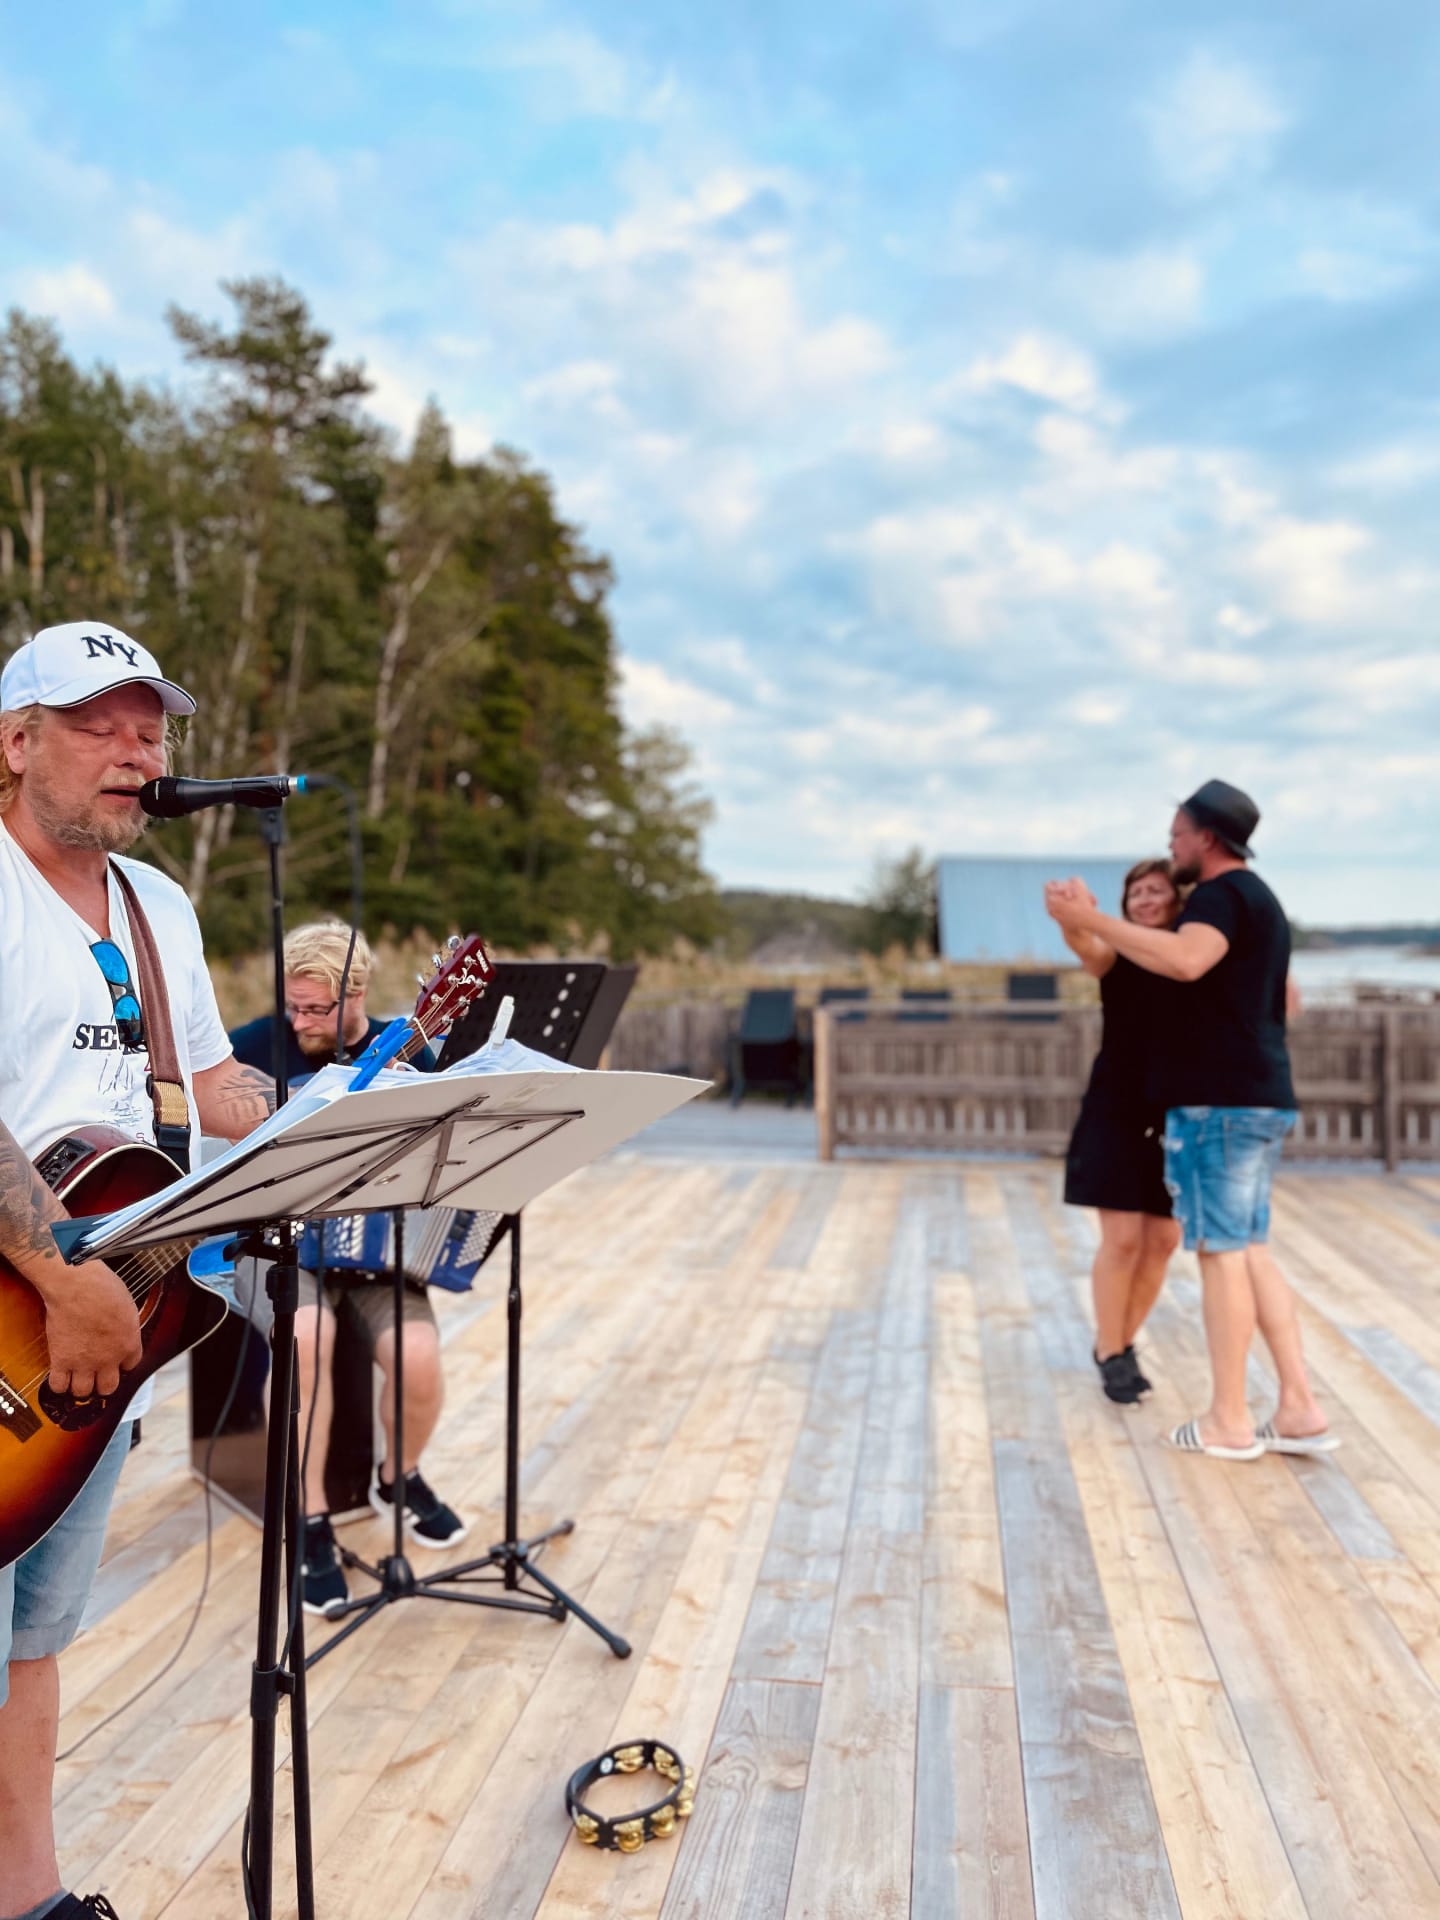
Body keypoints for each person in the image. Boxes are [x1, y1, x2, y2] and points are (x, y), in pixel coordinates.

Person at [0, 622, 276, 1920]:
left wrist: (341, 1094)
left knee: (35, 1639)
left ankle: (31, 1892)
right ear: (16, 742)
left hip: (105, 1328)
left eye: (152, 727)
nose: (138, 751)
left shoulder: (161, 907)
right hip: (41, 1303)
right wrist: (60, 1279)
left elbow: (209, 1091)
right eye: (99, 723)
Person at [1045, 779, 1336, 1462]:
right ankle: (1297, 1405)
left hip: (1220, 1105)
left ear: (1205, 837)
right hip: (1258, 1097)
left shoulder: (1217, 899)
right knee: (1249, 1249)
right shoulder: (1258, 902)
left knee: (1221, 1254)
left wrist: (1091, 918)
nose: (1170, 844)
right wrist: (1081, 921)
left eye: (1177, 833)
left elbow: (1186, 958)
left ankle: (1229, 1422)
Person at [229, 922, 466, 1617]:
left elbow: (443, 1160)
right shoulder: (251, 1044)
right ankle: (311, 1522)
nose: (298, 1021)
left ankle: (400, 1476)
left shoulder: (408, 1048)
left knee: (417, 1355)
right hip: (276, 1241)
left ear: (356, 994)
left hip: (372, 1248)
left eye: (316, 1009)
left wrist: (412, 1103)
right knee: (308, 1341)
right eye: (292, 1005)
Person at [1059, 860, 1183, 1404]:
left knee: (1163, 1239)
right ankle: (1112, 1353)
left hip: (1178, 1111)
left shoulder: (1192, 957)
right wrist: (1072, 915)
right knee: (1123, 1238)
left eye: (1156, 890)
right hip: (1118, 1108)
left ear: (1177, 900)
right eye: (1136, 892)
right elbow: (1086, 944)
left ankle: (1120, 1342)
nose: (1145, 900)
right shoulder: (1119, 954)